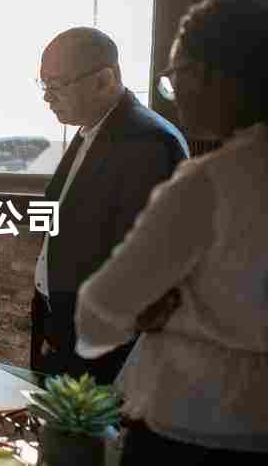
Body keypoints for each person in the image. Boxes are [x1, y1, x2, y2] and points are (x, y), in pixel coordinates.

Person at [75, 0, 268, 464]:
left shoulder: (213, 180)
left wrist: (148, 309)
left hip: (193, 426)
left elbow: (98, 312)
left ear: (206, 75)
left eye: (173, 76)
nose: (174, 93)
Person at [30, 27, 189, 384]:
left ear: (104, 79)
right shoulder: (91, 130)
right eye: (43, 85)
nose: (48, 98)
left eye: (57, 85)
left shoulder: (148, 142)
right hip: (61, 322)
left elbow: (142, 262)